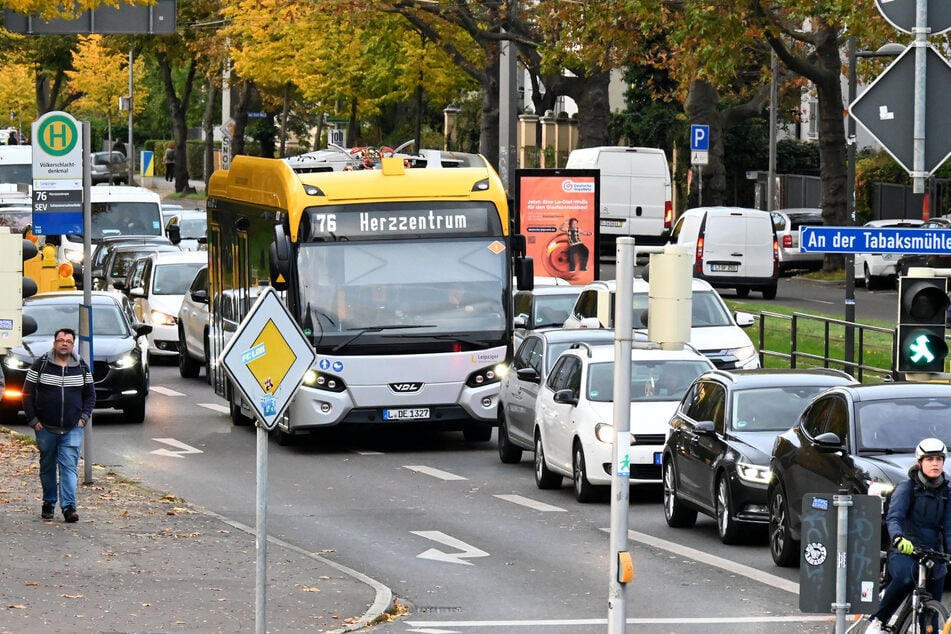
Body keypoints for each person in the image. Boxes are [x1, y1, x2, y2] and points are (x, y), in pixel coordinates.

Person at [865, 438, 951, 633]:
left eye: (939, 459)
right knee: (905, 577)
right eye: (930, 459)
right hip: (905, 549)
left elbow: (949, 527)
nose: (935, 463)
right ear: (920, 462)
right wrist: (898, 538)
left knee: (931, 616)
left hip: (932, 553)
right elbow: (894, 518)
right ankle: (878, 620)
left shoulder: (947, 492)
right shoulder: (907, 488)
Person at [22, 329, 96, 523]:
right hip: (45, 428)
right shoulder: (41, 364)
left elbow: (90, 395)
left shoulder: (81, 367)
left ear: (73, 345)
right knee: (47, 468)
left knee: (69, 468)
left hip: (72, 427)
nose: (64, 344)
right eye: (61, 340)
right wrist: (33, 420)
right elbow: (27, 393)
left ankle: (69, 507)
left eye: (68, 341)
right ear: (54, 343)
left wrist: (83, 418)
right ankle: (49, 503)